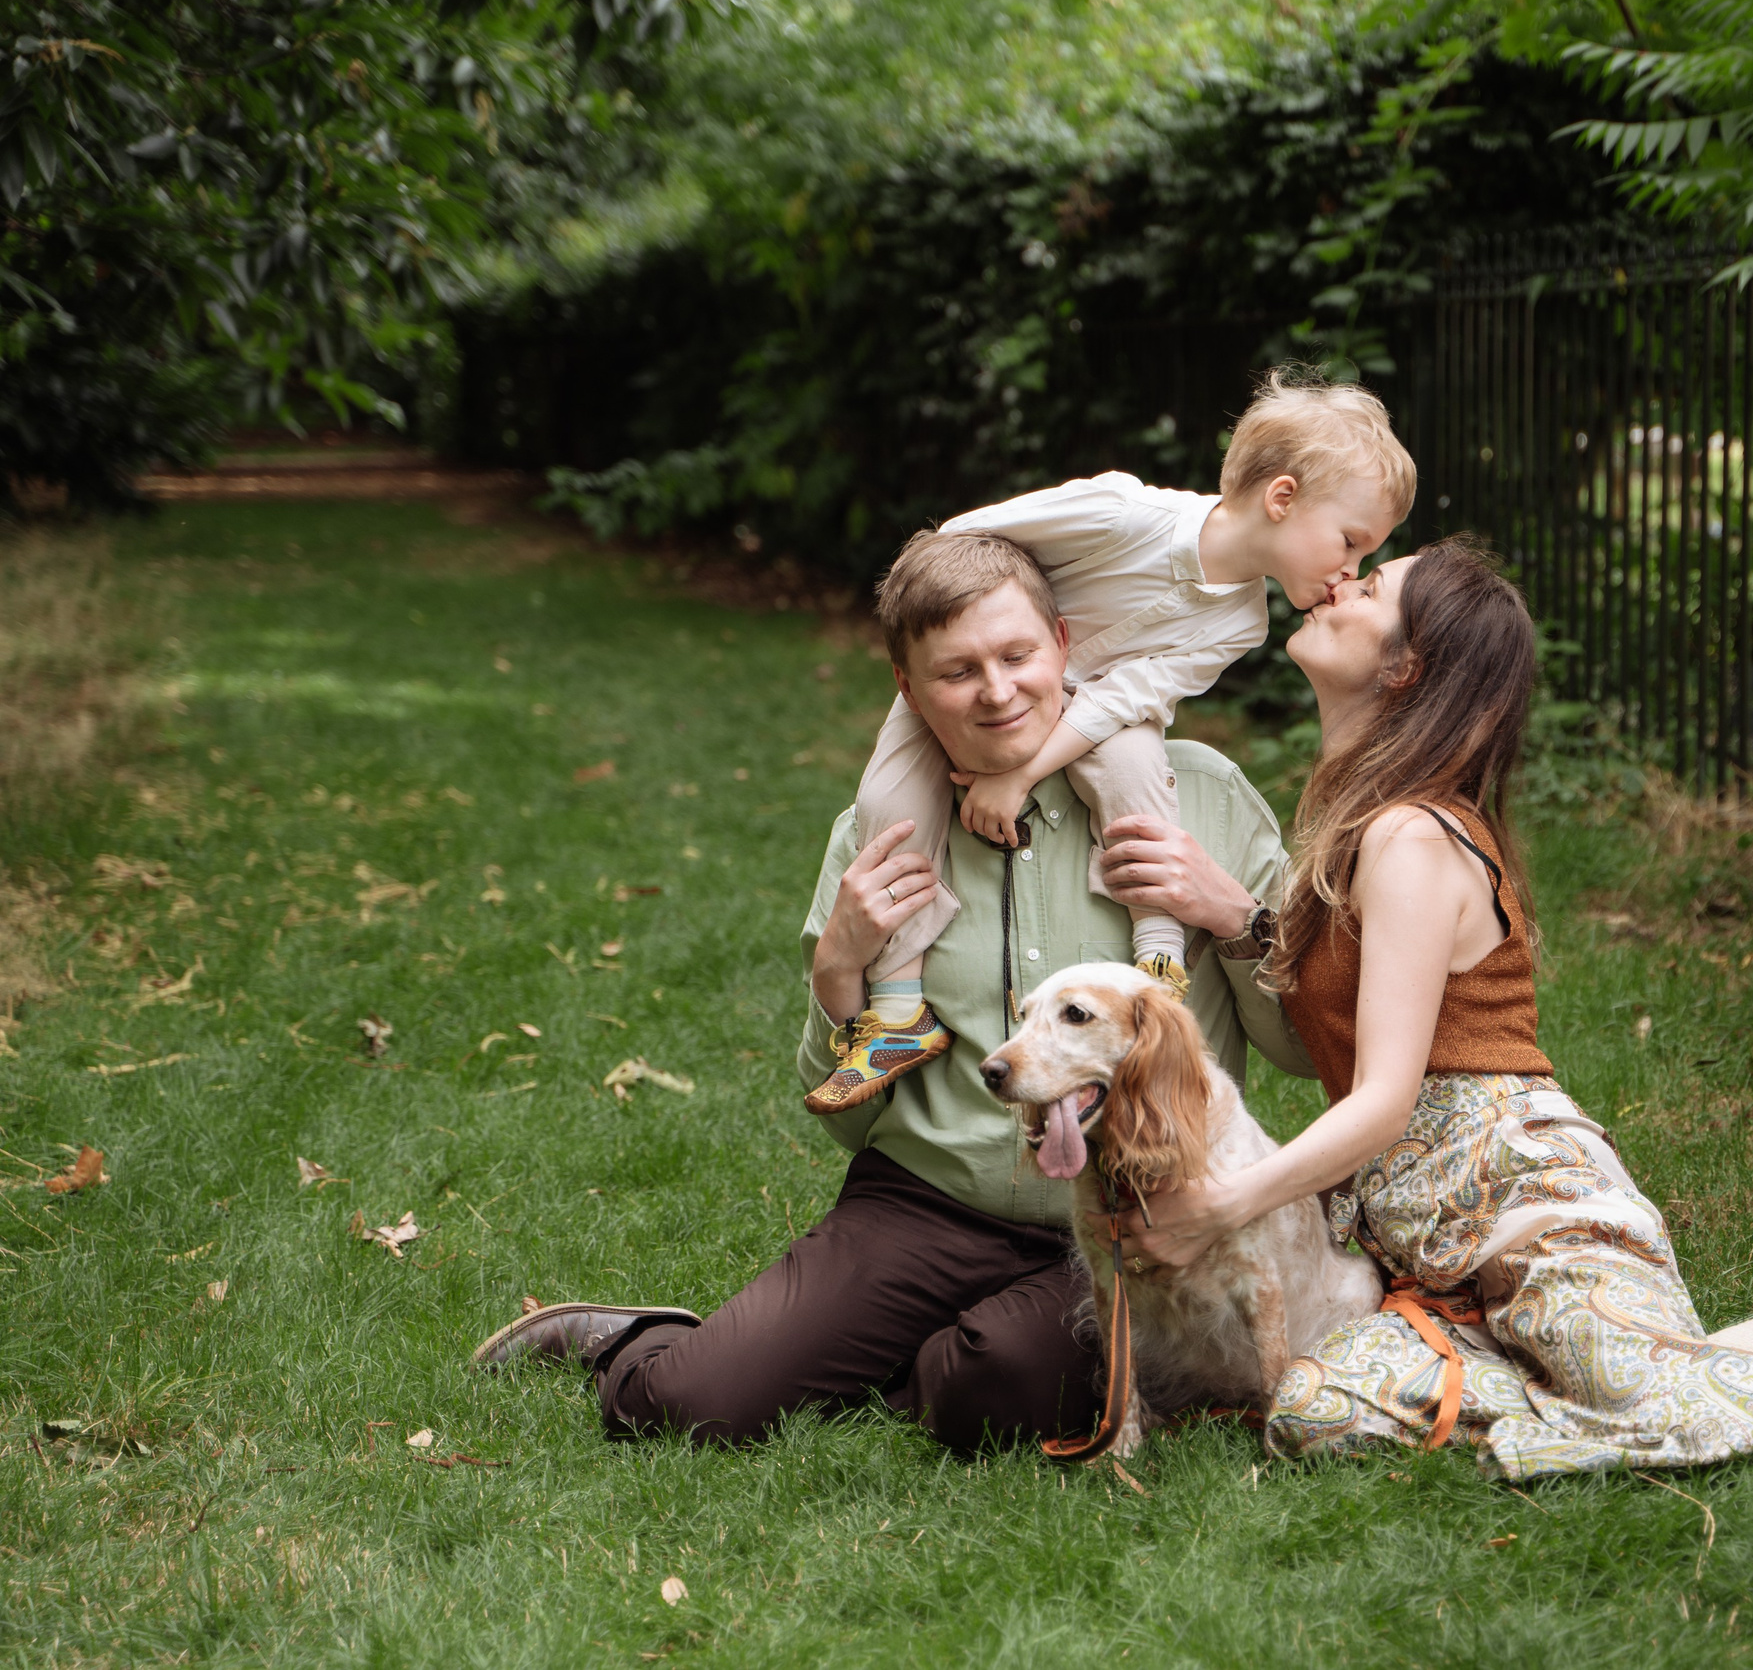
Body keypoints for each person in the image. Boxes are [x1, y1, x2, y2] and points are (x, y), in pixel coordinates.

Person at [1116, 538, 1753, 1482]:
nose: (1339, 577)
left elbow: (1385, 1098)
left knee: (1676, 1422)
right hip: (1419, 1244)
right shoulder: (1362, 821)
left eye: (1374, 580)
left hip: (1517, 1201)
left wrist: (1225, 1204)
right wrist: (1244, 922)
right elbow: (1344, 1026)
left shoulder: (1410, 835)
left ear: (1407, 664)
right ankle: (1751, 1358)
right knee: (1313, 1412)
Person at [469, 532, 1313, 1450]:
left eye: (1018, 655)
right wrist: (837, 971)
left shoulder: (1201, 797)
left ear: (1065, 644)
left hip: (1128, 1220)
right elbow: (847, 1119)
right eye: (957, 671)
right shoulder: (878, 837)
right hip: (921, 1204)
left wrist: (1233, 914)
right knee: (691, 1403)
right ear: (909, 690)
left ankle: (935, 1355)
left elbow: (1301, 1049)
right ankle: (635, 1336)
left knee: (993, 1391)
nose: (997, 690)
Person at [810, 372, 1414, 1114]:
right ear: (1282, 498)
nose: (1348, 573)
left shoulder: (1243, 624)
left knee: (1135, 762)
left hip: (1087, 711)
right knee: (887, 800)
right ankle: (900, 1009)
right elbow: (966, 539)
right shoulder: (1122, 514)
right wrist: (988, 656)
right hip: (993, 671)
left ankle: (1156, 954)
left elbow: (1129, 697)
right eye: (1350, 542)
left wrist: (1022, 771)